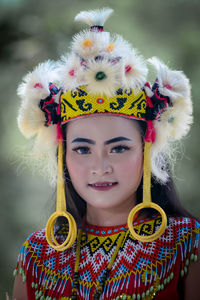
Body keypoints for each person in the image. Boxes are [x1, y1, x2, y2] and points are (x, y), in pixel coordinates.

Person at [12, 8, 200, 300]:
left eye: (119, 148)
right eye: (83, 149)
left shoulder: (185, 244)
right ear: (62, 154)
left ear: (147, 149)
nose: (100, 166)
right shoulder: (38, 255)